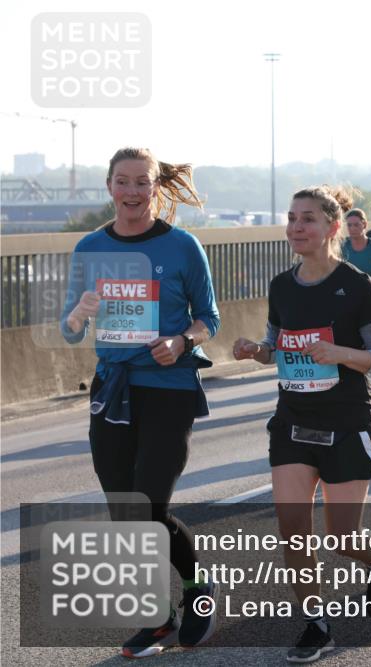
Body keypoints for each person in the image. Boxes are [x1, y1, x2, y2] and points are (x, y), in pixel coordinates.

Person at [60, 147, 221, 657]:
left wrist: (182, 342)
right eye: (122, 182)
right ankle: (156, 619)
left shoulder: (182, 246)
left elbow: (209, 318)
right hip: (113, 388)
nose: (132, 192)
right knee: (126, 513)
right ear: (109, 187)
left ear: (155, 188)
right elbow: (68, 331)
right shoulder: (89, 247)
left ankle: (196, 593)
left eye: (141, 183)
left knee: (150, 505)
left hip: (168, 390)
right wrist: (80, 315)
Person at [232, 184, 371, 663]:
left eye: (306, 218)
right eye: (291, 218)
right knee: (292, 528)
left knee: (343, 538)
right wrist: (256, 351)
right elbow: (277, 346)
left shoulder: (357, 287)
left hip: (346, 422)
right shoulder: (282, 286)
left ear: (331, 226)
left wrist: (340, 353)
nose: (296, 227)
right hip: (293, 422)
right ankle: (316, 623)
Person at [341, 208, 371, 394]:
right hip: (348, 298)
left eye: (356, 225)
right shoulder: (342, 247)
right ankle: (355, 372)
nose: (352, 228)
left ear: (364, 225)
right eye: (349, 225)